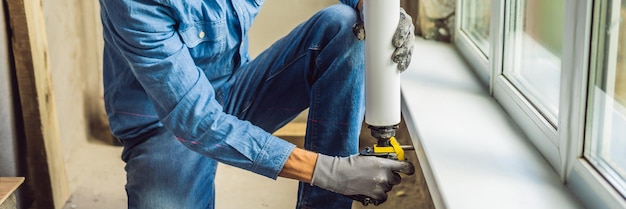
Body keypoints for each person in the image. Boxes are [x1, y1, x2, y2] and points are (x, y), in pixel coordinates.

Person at [99, 0, 415, 208]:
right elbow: (195, 120)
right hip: (165, 127)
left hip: (235, 93)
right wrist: (328, 171)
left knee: (344, 25)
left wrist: (374, 10)